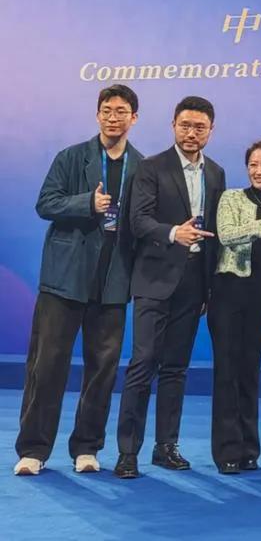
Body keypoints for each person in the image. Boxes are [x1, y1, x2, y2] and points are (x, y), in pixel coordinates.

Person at [14, 85, 144, 477]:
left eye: (121, 111)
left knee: (102, 370)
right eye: (107, 110)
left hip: (112, 281)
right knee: (47, 366)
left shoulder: (143, 167)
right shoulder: (71, 157)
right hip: (64, 280)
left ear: (134, 118)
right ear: (98, 114)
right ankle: (33, 449)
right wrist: (87, 203)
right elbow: (45, 203)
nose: (113, 117)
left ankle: (87, 447)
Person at [114, 96, 225, 478]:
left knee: (176, 368)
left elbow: (214, 233)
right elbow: (137, 221)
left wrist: (208, 288)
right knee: (143, 362)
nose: (191, 133)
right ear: (173, 126)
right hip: (154, 279)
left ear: (211, 130)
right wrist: (174, 232)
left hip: (194, 283)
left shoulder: (216, 173)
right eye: (185, 125)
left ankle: (166, 447)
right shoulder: (150, 167)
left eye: (199, 127)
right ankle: (128, 452)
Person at [208, 139, 261, 474]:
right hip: (227, 291)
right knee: (227, 370)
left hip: (260, 295)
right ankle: (227, 451)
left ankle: (249, 450)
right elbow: (225, 235)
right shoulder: (231, 198)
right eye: (253, 164)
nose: (259, 170)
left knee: (250, 371)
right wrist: (259, 228)